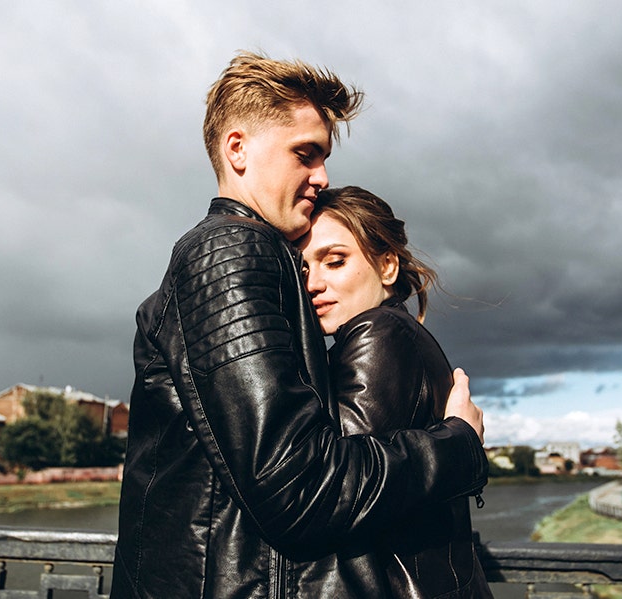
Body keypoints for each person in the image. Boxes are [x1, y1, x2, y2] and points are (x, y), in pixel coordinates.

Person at [110, 52, 489, 599]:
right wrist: (459, 446)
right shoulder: (231, 250)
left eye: (324, 157)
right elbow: (302, 488)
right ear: (237, 149)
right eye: (304, 155)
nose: (322, 177)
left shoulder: (255, 258)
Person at [299, 186, 494, 598]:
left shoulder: (379, 333)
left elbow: (332, 486)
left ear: (387, 266)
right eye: (303, 270)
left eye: (335, 261)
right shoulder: (396, 333)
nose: (314, 283)